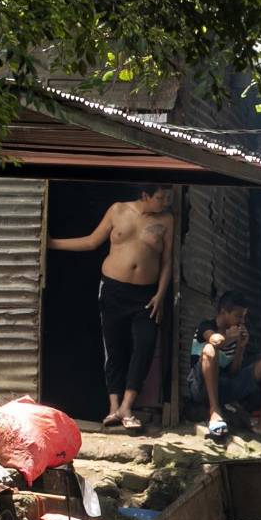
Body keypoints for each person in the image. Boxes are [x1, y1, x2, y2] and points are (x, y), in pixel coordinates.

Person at [48, 184, 175, 432]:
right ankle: (114, 407)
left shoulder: (167, 220)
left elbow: (168, 260)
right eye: (160, 198)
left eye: (168, 198)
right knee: (114, 348)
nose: (165, 203)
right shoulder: (118, 210)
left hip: (146, 295)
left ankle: (128, 406)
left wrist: (161, 294)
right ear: (144, 196)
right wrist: (51, 243)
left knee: (145, 344)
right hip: (114, 290)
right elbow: (91, 242)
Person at [188, 291, 261, 443]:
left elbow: (234, 372)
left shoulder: (235, 334)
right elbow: (215, 340)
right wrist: (229, 338)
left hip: (224, 387)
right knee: (209, 349)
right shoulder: (206, 326)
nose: (242, 321)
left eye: (244, 316)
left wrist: (240, 347)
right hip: (201, 388)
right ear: (224, 312)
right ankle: (214, 411)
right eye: (239, 316)